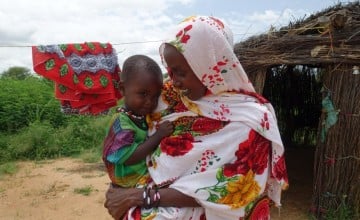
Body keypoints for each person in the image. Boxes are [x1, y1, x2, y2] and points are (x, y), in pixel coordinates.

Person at [104, 15, 288, 220]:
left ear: (209, 63)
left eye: (180, 72)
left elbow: (234, 191)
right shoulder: (168, 98)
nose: (174, 82)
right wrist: (122, 190)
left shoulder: (253, 120)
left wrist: (139, 197)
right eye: (170, 71)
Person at [102, 55, 174, 188]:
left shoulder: (140, 114)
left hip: (142, 173)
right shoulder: (122, 122)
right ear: (123, 89)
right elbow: (129, 158)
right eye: (143, 94)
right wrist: (158, 136)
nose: (150, 102)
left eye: (155, 96)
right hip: (130, 180)